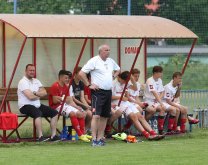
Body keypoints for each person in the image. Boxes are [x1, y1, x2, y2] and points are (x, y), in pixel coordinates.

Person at [79, 44, 120, 146]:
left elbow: (118, 69)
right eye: (106, 50)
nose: (108, 52)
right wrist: (89, 85)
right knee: (96, 115)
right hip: (98, 92)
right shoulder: (94, 60)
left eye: (109, 50)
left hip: (108, 91)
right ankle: (94, 139)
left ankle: (100, 138)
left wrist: (113, 76)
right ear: (100, 51)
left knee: (105, 116)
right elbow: (81, 73)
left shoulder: (110, 61)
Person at [109, 71, 164, 140]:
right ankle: (147, 135)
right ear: (120, 78)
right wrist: (120, 98)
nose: (124, 83)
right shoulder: (113, 83)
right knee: (133, 116)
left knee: (140, 116)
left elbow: (135, 88)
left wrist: (132, 79)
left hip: (126, 103)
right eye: (124, 81)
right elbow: (109, 97)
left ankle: (153, 133)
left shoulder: (126, 83)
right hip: (117, 103)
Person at [17, 64, 60, 142]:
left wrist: (35, 93)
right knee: (38, 113)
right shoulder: (22, 82)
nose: (32, 72)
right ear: (26, 71)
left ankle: (53, 136)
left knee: (54, 113)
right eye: (30, 70)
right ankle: (40, 137)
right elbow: (30, 96)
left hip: (37, 105)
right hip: (25, 106)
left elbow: (44, 92)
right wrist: (38, 94)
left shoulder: (36, 81)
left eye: (33, 70)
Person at [48, 69, 91, 142]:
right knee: (72, 113)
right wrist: (62, 99)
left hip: (64, 105)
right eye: (66, 78)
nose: (67, 79)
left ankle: (83, 134)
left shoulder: (66, 87)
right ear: (60, 77)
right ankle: (80, 135)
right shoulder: (55, 86)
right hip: (56, 107)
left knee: (81, 113)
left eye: (68, 78)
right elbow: (55, 101)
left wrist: (77, 107)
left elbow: (69, 101)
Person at [144, 66, 177, 135]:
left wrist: (159, 99)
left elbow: (162, 91)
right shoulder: (149, 80)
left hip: (158, 100)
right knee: (162, 108)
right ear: (156, 73)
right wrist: (160, 102)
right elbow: (154, 92)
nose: (161, 74)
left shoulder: (160, 80)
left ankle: (169, 130)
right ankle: (158, 129)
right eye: (160, 72)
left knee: (174, 109)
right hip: (149, 101)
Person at [71, 66, 92, 131]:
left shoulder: (81, 83)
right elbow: (73, 99)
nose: (82, 75)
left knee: (90, 114)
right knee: (84, 114)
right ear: (75, 74)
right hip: (73, 103)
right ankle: (79, 131)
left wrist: (87, 106)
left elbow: (82, 97)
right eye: (80, 73)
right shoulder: (71, 83)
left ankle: (85, 130)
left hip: (80, 103)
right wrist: (84, 105)